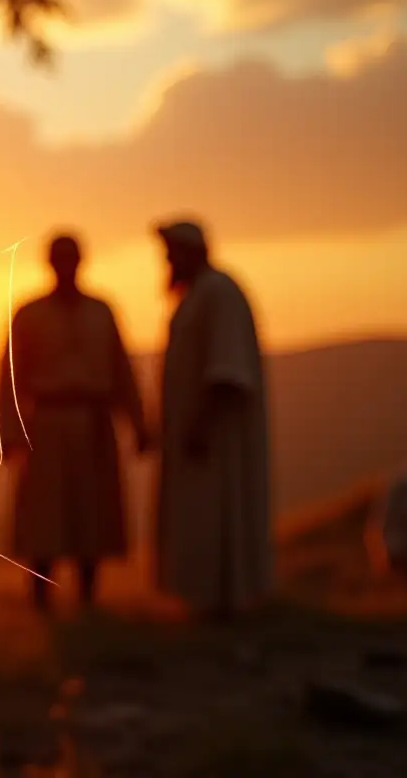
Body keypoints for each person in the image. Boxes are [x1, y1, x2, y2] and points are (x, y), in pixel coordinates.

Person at [0, 232, 150, 612]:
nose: (66, 265)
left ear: (81, 261)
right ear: (50, 263)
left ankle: (88, 596)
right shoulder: (28, 314)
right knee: (44, 512)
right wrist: (9, 432)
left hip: (95, 419)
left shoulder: (102, 312)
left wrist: (139, 422)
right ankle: (40, 597)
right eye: (59, 258)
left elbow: (121, 369)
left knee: (91, 508)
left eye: (71, 258)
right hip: (45, 422)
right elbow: (9, 380)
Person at [152, 219, 272, 622]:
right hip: (199, 431)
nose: (167, 262)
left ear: (193, 253)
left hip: (217, 435)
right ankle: (204, 601)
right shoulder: (199, 295)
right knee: (200, 513)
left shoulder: (218, 293)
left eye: (172, 254)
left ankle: (222, 603)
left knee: (216, 511)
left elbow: (227, 367)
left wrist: (201, 423)